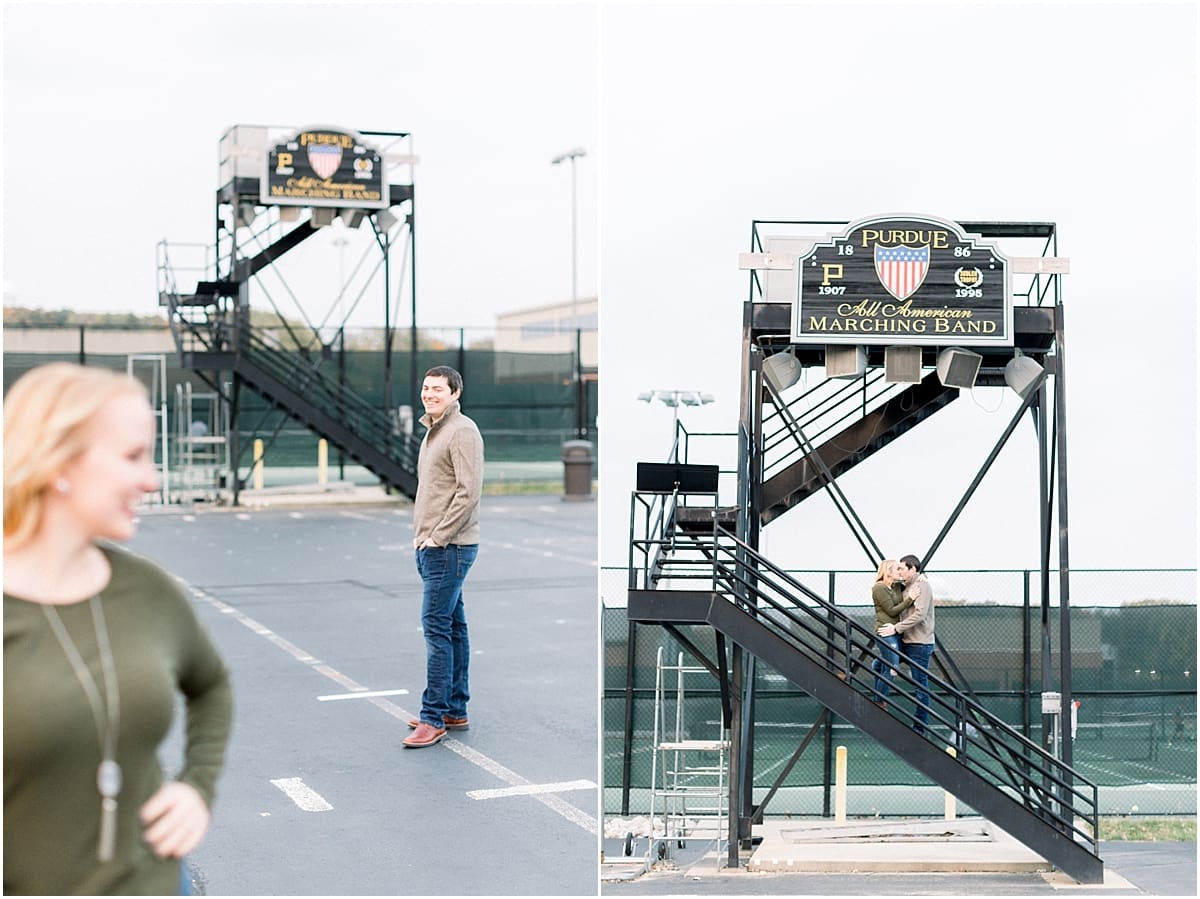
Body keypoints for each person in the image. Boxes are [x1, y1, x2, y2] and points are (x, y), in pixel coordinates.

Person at [3, 363, 233, 895]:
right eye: (132, 457)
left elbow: (212, 685)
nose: (151, 480)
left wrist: (196, 786)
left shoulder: (148, 589)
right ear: (57, 462)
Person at [404, 366, 484, 749]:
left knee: (436, 629)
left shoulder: (462, 431)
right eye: (426, 387)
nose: (429, 394)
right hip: (433, 546)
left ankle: (433, 717)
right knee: (453, 627)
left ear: (455, 394)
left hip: (449, 548)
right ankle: (454, 708)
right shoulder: (434, 430)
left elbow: (468, 492)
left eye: (438, 389)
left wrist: (438, 537)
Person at [893, 553, 935, 735]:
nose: (899, 571)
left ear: (912, 569)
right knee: (879, 664)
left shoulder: (922, 586)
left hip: (919, 643)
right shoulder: (904, 586)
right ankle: (880, 700)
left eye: (902, 568)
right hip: (906, 641)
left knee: (920, 686)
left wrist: (896, 628)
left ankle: (920, 728)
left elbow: (920, 615)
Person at [869, 559, 913, 707]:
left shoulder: (895, 586)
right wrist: (910, 600)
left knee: (882, 664)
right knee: (893, 668)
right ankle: (879, 702)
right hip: (885, 632)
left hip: (896, 632)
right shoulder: (879, 587)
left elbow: (911, 581)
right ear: (888, 571)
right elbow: (891, 611)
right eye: (897, 569)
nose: (899, 571)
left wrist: (920, 578)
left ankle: (876, 667)